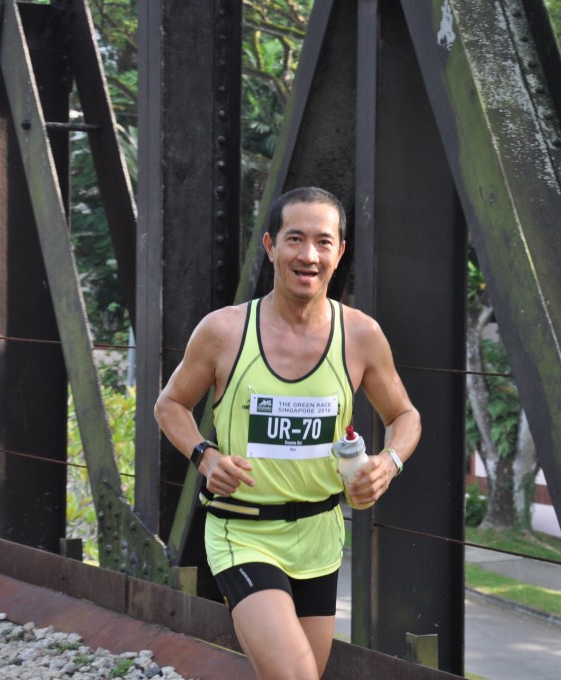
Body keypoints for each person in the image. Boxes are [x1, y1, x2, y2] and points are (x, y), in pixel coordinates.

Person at [154, 186, 421, 680]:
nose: (309, 255)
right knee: (295, 676)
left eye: (323, 242)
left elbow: (405, 416)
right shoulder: (225, 331)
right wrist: (205, 455)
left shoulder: (361, 334)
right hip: (243, 532)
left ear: (339, 253)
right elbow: (170, 404)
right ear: (271, 246)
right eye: (295, 239)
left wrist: (388, 463)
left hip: (320, 536)